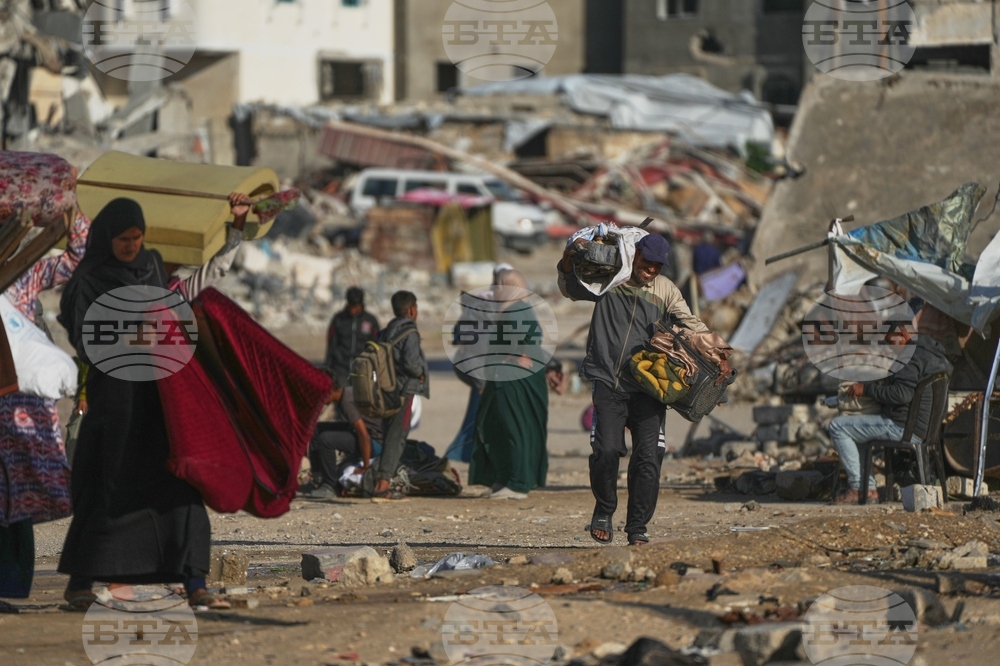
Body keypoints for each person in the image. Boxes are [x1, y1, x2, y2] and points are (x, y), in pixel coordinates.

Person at [55, 193, 250, 611]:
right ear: (107, 238)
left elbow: (183, 304)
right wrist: (137, 331)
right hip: (115, 407)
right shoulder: (88, 281)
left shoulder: (153, 267)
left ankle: (194, 581)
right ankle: (81, 583)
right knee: (106, 489)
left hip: (160, 403)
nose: (130, 246)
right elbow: (86, 340)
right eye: (123, 239)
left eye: (137, 238)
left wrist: (235, 230)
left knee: (179, 485)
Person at [558, 233, 725, 545]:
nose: (651, 270)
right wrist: (568, 259)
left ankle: (637, 528)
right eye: (646, 263)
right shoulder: (610, 277)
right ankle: (604, 510)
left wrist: (721, 354)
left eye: (657, 266)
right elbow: (571, 288)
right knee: (607, 450)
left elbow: (692, 325)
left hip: (650, 385)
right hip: (608, 379)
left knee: (649, 457)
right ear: (634, 256)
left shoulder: (665, 290)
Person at [0, 209, 90, 599]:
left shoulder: (23, 276)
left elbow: (76, 257)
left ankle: (11, 585)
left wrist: (72, 211)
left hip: (20, 404)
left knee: (17, 495)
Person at [828, 325, 953, 504]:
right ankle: (867, 488)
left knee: (838, 426)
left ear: (901, 334)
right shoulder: (933, 354)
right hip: (926, 430)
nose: (890, 348)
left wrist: (867, 389)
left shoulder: (910, 356)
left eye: (890, 342)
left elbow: (901, 394)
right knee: (857, 427)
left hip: (905, 428)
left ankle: (860, 488)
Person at [469, 269, 549, 500]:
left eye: (499, 285)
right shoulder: (517, 309)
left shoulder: (515, 310)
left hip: (514, 382)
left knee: (515, 428)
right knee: (498, 428)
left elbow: (524, 344)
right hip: (505, 379)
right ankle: (503, 478)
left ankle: (517, 483)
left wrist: (511, 357)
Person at [372, 291, 428, 498]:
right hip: (404, 391)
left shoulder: (387, 330)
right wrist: (420, 373)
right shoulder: (410, 332)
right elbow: (412, 364)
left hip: (385, 390)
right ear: (412, 309)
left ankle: (383, 479)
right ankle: (383, 484)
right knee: (397, 436)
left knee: (389, 435)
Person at [304, 373, 383, 499]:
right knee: (317, 429)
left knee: (326, 439)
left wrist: (366, 467)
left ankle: (330, 486)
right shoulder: (345, 394)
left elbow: (364, 435)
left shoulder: (347, 401)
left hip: (376, 443)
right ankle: (319, 478)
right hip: (364, 436)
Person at [325, 287, 380, 389]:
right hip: (341, 369)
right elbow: (331, 344)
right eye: (352, 306)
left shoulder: (371, 321)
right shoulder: (338, 319)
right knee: (342, 401)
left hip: (363, 370)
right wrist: (328, 367)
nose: (354, 309)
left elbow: (377, 345)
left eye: (357, 306)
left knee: (360, 401)